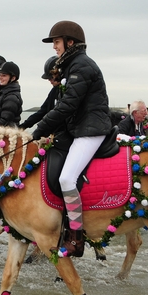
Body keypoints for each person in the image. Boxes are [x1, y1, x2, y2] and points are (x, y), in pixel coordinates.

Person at [31, 21, 112, 257]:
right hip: (80, 129)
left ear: (70, 42)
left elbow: (67, 106)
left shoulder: (82, 66)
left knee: (67, 179)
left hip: (91, 130)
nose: (54, 47)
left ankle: (76, 237)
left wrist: (40, 129)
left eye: (56, 42)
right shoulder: (71, 65)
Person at [19, 56, 60, 129]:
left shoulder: (67, 91)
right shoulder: (54, 91)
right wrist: (23, 126)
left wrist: (41, 129)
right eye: (48, 78)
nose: (49, 81)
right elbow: (42, 112)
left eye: (51, 78)